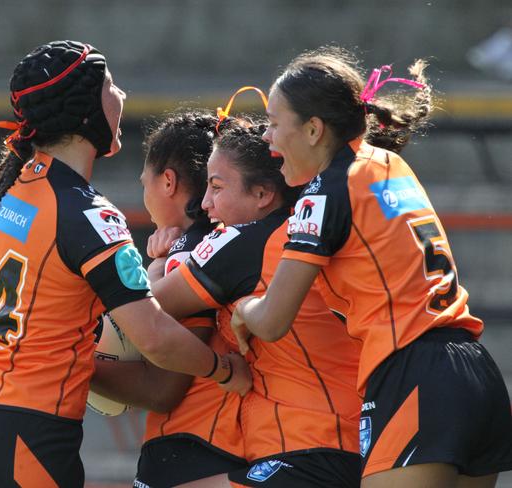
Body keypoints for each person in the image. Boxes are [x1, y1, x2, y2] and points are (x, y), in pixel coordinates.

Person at [0, 40, 250, 487]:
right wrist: (223, 369)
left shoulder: (16, 191)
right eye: (111, 86)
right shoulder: (89, 215)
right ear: (84, 112)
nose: (122, 96)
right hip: (23, 426)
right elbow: (152, 336)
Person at [230, 47, 512, 487]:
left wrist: (245, 306)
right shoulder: (390, 163)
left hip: (414, 374)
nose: (266, 137)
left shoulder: (325, 190)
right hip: (475, 372)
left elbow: (270, 322)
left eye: (272, 123)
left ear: (312, 129)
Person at [144, 115, 363, 487]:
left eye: (216, 188)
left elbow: (146, 313)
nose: (206, 205)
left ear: (263, 194)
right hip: (357, 435)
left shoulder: (242, 241)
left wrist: (158, 264)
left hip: (307, 444)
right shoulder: (313, 227)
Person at [91, 110, 249, 487]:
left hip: (198, 443)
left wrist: (70, 362)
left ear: (167, 182)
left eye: (144, 181)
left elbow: (162, 389)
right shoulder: (220, 245)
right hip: (216, 442)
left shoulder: (193, 258)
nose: (143, 191)